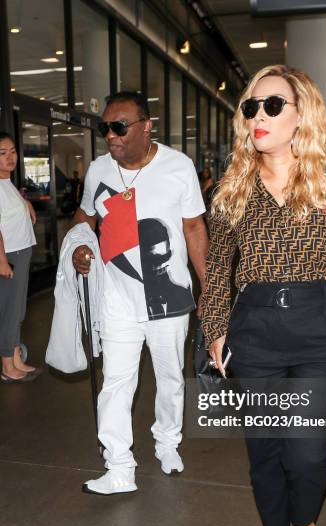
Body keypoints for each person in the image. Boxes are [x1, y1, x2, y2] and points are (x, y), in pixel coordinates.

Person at [202, 65, 326, 526]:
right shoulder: (234, 187)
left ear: (303, 112)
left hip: (321, 326)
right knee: (265, 452)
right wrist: (216, 328)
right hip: (254, 328)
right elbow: (218, 271)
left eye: (273, 105)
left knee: (307, 452)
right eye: (251, 107)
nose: (259, 115)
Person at [71, 92, 208, 493]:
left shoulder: (177, 167)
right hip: (117, 297)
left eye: (119, 127)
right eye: (105, 128)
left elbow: (195, 228)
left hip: (168, 296)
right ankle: (119, 467)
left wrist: (209, 288)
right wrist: (79, 246)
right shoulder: (98, 170)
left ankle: (167, 442)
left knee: (170, 379)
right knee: (116, 381)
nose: (110, 136)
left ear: (147, 126)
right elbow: (84, 218)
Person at [0, 131, 42, 383]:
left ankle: (16, 358)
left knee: (18, 310)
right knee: (9, 311)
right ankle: (7, 366)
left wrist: (25, 203)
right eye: (2, 153)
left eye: (13, 151)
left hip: (21, 251)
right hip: (10, 256)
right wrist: (2, 260)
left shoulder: (7, 181)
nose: (10, 157)